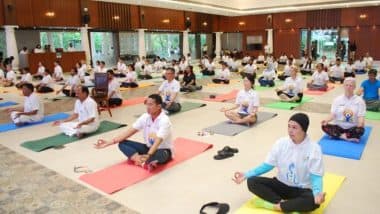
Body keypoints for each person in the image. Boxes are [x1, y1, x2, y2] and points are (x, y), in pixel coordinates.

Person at [233, 113, 325, 213]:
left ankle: (277, 206)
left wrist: (317, 193)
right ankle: (283, 204)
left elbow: (316, 176)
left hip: (301, 190)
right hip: (281, 185)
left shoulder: (314, 148)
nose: (290, 130)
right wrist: (247, 174)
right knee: (252, 181)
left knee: (313, 201)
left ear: (304, 129)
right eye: (289, 126)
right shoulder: (281, 143)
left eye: (294, 127)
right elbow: (267, 165)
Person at [95, 94, 173, 171]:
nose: (147, 107)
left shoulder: (164, 120)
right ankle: (140, 160)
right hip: (148, 147)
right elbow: (129, 131)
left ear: (159, 106)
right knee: (122, 143)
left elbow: (158, 141)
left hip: (162, 149)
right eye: (147, 104)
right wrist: (110, 142)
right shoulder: (145, 117)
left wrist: (148, 155)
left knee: (162, 155)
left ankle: (144, 159)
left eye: (150, 104)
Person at [321, 77, 366, 142]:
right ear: (343, 86)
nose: (348, 87)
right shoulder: (337, 99)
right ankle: (346, 137)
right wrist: (326, 120)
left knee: (360, 130)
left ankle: (337, 135)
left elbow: (361, 116)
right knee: (324, 126)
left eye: (351, 86)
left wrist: (360, 124)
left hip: (352, 127)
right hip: (339, 126)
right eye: (346, 85)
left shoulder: (360, 101)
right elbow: (333, 114)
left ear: (354, 87)